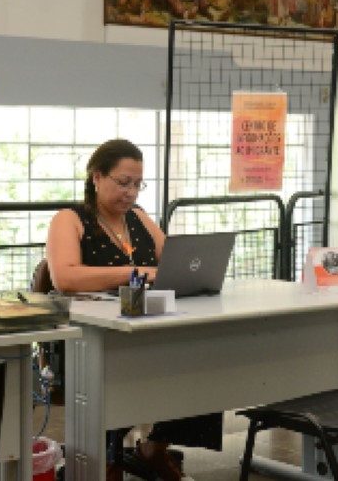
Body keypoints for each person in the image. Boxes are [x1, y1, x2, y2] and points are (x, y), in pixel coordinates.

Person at [46, 139, 221, 481]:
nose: (131, 192)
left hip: (141, 322)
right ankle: (105, 456)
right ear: (97, 177)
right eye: (123, 182)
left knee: (204, 358)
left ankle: (153, 448)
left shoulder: (139, 218)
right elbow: (65, 277)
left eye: (138, 184)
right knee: (139, 366)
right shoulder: (71, 219)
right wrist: (134, 273)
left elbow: (175, 262)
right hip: (89, 336)